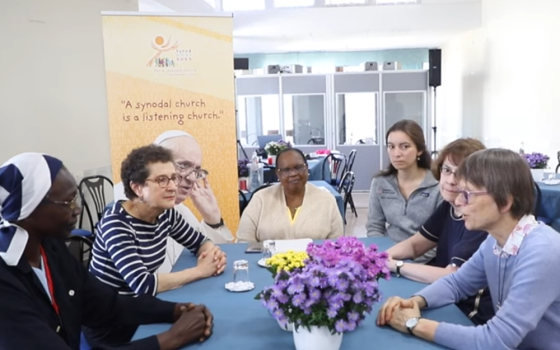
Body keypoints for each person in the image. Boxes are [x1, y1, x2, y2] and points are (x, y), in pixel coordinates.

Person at [0, 152, 214, 350]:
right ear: (29, 211)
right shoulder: (6, 283)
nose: (77, 209)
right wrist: (171, 339)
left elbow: (107, 304)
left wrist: (176, 309)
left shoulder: (50, 249)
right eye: (67, 202)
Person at [377, 148, 560, 350]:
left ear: (505, 201)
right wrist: (415, 302)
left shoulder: (542, 252)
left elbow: (495, 341)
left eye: (467, 194)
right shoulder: (496, 241)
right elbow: (458, 283)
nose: (457, 201)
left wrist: (413, 323)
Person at [86, 145, 226, 347]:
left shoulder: (165, 212)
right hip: (110, 323)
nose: (172, 187)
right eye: (162, 180)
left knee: (205, 320)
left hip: (141, 308)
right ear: (137, 188)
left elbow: (199, 242)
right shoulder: (116, 224)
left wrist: (212, 253)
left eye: (173, 178)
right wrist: (201, 271)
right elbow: (144, 285)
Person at [385, 138, 493, 325]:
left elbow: (452, 276)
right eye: (447, 170)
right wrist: (379, 258)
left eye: (460, 174)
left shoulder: (479, 220)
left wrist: (396, 266)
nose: (451, 181)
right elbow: (416, 244)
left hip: (467, 316)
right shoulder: (448, 207)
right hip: (444, 299)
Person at [113, 130, 233, 273]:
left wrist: (213, 220)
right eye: (183, 166)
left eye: (196, 169)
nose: (192, 178)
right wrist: (199, 272)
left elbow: (209, 252)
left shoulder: (175, 212)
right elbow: (143, 282)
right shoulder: (120, 209)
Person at [366, 119, 442, 263]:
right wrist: (382, 256)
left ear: (419, 150)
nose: (396, 153)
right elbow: (374, 226)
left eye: (404, 146)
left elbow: (440, 238)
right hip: (388, 257)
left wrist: (406, 263)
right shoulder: (380, 182)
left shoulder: (438, 185)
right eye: (391, 147)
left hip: (425, 261)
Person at [237, 148, 344, 242]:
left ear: (307, 168)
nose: (293, 173)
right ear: (278, 174)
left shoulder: (327, 200)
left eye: (298, 167)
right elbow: (244, 242)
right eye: (286, 170)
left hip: (315, 264)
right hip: (266, 263)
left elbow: (337, 246)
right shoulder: (260, 199)